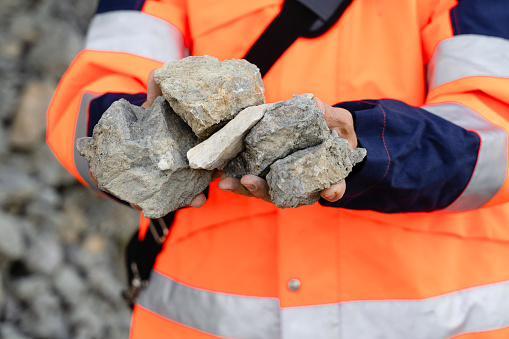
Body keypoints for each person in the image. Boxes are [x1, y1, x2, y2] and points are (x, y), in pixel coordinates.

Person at [47, 0, 509, 338]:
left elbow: (495, 129)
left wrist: (364, 148)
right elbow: (89, 103)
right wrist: (151, 138)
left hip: (442, 321)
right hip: (206, 323)